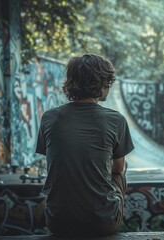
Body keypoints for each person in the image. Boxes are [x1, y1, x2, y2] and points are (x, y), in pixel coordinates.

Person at [35, 53, 135, 237]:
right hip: (103, 223)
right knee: (120, 171)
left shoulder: (50, 118)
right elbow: (118, 169)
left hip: (58, 222)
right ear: (103, 84)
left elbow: (55, 160)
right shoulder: (116, 120)